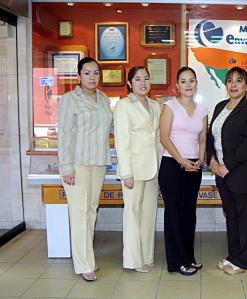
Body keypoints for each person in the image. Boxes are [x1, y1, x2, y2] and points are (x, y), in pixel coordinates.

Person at [58, 57, 113, 281]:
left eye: (96, 73)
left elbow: (108, 129)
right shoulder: (69, 99)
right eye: (87, 73)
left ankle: (87, 258)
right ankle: (83, 265)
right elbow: (64, 134)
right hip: (77, 165)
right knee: (79, 214)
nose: (92, 77)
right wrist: (66, 168)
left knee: (91, 212)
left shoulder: (103, 98)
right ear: (78, 75)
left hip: (98, 163)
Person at [206, 66, 247, 275]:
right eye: (230, 80)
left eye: (238, 81)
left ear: (246, 85)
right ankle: (233, 255)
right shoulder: (221, 106)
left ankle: (244, 261)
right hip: (221, 172)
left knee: (244, 215)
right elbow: (211, 137)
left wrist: (227, 165)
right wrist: (211, 160)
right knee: (230, 214)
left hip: (242, 172)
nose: (233, 84)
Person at [158, 66, 208, 276]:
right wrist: (182, 160)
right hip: (172, 165)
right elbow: (164, 137)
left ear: (196, 83)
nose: (188, 85)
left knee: (189, 213)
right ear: (177, 85)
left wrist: (200, 160)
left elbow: (203, 138)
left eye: (192, 80)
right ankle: (176, 261)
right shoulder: (169, 106)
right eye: (184, 81)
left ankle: (189, 257)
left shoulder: (203, 109)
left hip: (194, 167)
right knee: (174, 214)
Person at [113, 66, 161, 273]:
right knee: (132, 214)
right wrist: (126, 173)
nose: (143, 83)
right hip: (133, 169)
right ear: (130, 84)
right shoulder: (123, 106)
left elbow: (158, 138)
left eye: (146, 78)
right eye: (138, 79)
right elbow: (121, 141)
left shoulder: (155, 105)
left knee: (149, 214)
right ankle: (133, 260)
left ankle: (146, 256)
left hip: (153, 168)